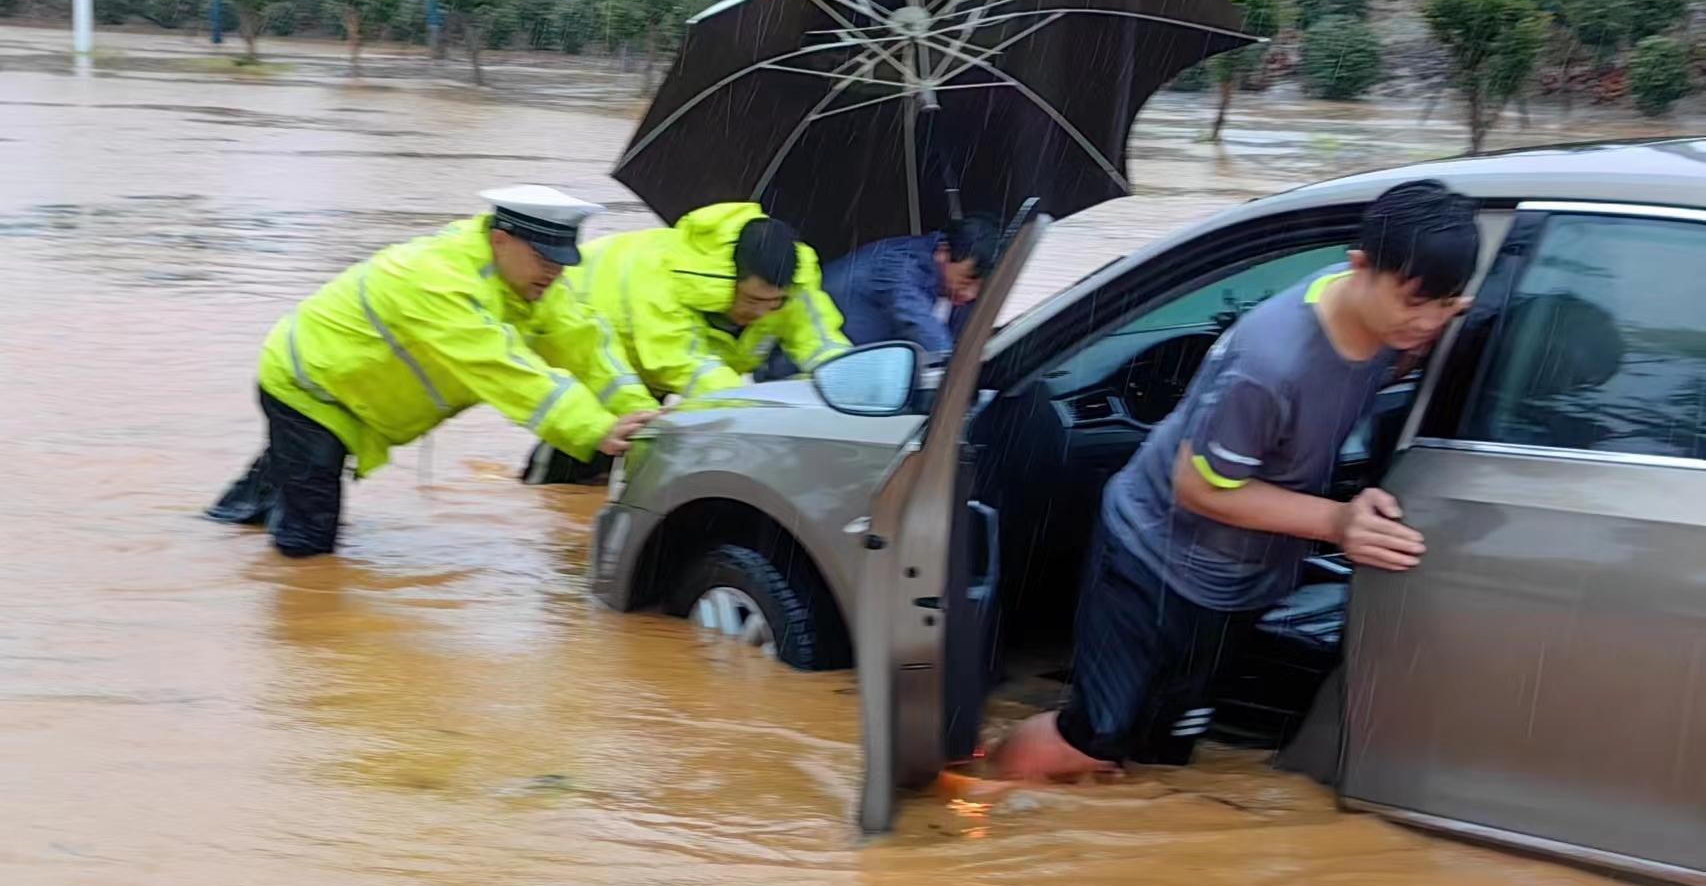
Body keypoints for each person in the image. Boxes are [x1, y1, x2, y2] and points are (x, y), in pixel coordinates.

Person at [993, 180, 1481, 781]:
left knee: (1166, 744)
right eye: (1414, 302)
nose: (1429, 320)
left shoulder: (1393, 328)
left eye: (1445, 303)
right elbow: (1196, 487)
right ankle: (974, 799)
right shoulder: (1270, 363)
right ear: (1360, 267)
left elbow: (1394, 354)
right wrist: (1337, 521)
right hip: (1154, 559)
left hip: (1241, 577)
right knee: (1092, 737)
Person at [206, 186, 657, 556]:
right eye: (545, 259)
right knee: (310, 543)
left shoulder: (534, 285)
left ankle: (209, 539)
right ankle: (295, 649)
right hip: (312, 392)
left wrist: (640, 412)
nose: (554, 273)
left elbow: (586, 345)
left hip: (354, 400)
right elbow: (506, 371)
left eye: (562, 262)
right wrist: (596, 430)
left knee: (260, 499)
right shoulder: (438, 279)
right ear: (501, 239)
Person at [520, 202, 848, 484]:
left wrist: (857, 390)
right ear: (725, 282)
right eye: (751, 299)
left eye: (773, 303)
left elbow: (822, 344)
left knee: (639, 464)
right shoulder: (659, 276)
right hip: (581, 337)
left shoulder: (795, 287)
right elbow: (683, 364)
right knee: (579, 453)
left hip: (658, 364)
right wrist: (756, 417)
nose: (761, 312)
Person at [754, 216, 1002, 383]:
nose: (970, 294)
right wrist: (959, 379)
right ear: (943, 252)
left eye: (979, 287)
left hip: (843, 379)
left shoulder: (946, 288)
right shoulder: (899, 263)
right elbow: (921, 326)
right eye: (968, 280)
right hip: (794, 374)